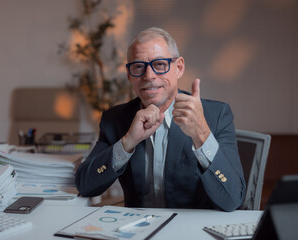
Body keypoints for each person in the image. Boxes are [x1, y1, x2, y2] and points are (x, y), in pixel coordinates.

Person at [75, 27, 246, 211]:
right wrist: (127, 143)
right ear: (129, 75)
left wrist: (201, 134)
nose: (149, 76)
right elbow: (85, 186)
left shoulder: (216, 116)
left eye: (160, 64)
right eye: (138, 67)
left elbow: (233, 199)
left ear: (179, 67)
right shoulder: (115, 119)